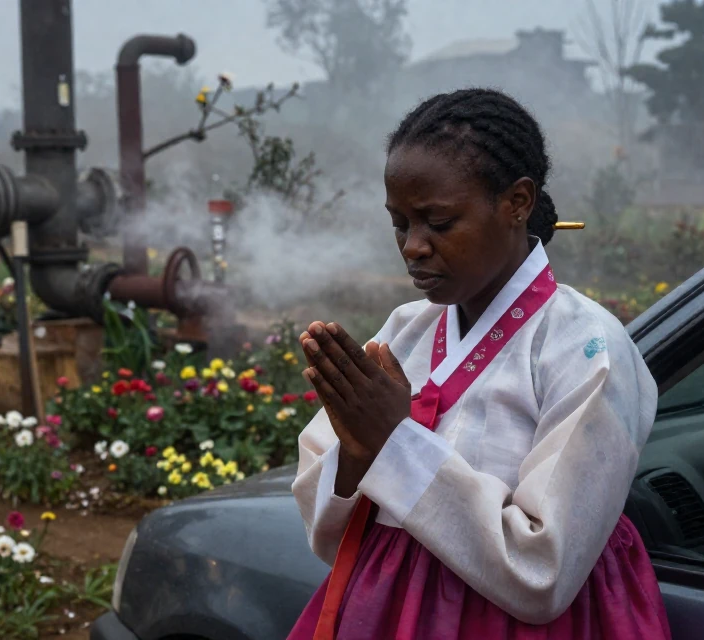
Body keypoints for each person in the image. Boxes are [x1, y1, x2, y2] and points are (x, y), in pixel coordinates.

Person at [287, 88, 670, 639]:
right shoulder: (405, 331)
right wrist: (357, 449)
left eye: (437, 222)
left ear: (516, 203)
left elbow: (544, 571)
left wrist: (394, 445)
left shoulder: (584, 345)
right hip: (387, 612)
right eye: (400, 223)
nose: (413, 246)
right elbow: (326, 529)